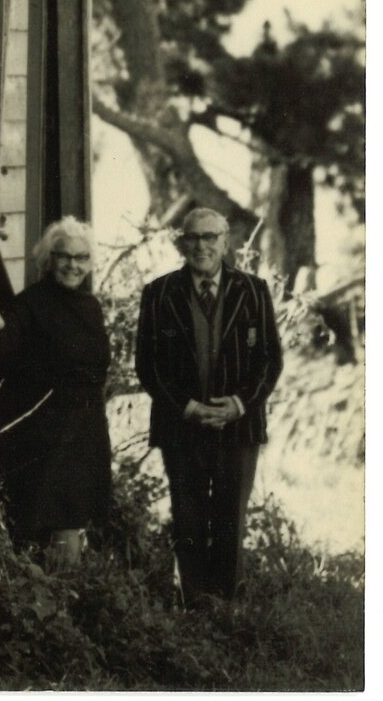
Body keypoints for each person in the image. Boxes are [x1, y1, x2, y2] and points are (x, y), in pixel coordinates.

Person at [135, 207, 282, 607]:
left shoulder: (253, 291)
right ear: (182, 242)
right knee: (189, 517)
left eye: (210, 237)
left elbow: (270, 361)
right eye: (193, 238)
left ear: (226, 240)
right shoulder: (159, 293)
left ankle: (230, 604)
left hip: (239, 427)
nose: (202, 246)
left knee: (231, 518)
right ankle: (195, 604)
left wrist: (238, 404)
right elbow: (147, 366)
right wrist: (187, 408)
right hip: (182, 426)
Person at [0, 217, 111, 563]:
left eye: (80, 258)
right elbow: (7, 342)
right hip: (44, 436)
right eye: (64, 256)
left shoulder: (91, 306)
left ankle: (66, 606)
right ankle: (51, 607)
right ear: (48, 259)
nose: (72, 265)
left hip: (85, 433)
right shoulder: (30, 304)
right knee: (48, 525)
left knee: (73, 523)